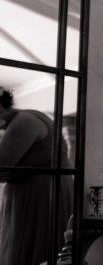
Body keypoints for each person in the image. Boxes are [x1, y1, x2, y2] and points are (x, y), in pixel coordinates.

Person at [0, 87, 73, 265]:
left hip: (39, 195)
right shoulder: (23, 119)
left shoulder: (24, 121)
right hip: (41, 191)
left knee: (38, 252)